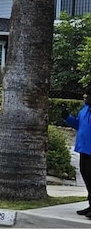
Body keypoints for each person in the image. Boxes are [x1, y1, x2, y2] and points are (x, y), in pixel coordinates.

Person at [62, 85, 91, 219]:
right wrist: (67, 117)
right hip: (84, 150)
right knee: (87, 178)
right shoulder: (84, 110)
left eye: (87, 95)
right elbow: (78, 125)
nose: (84, 96)